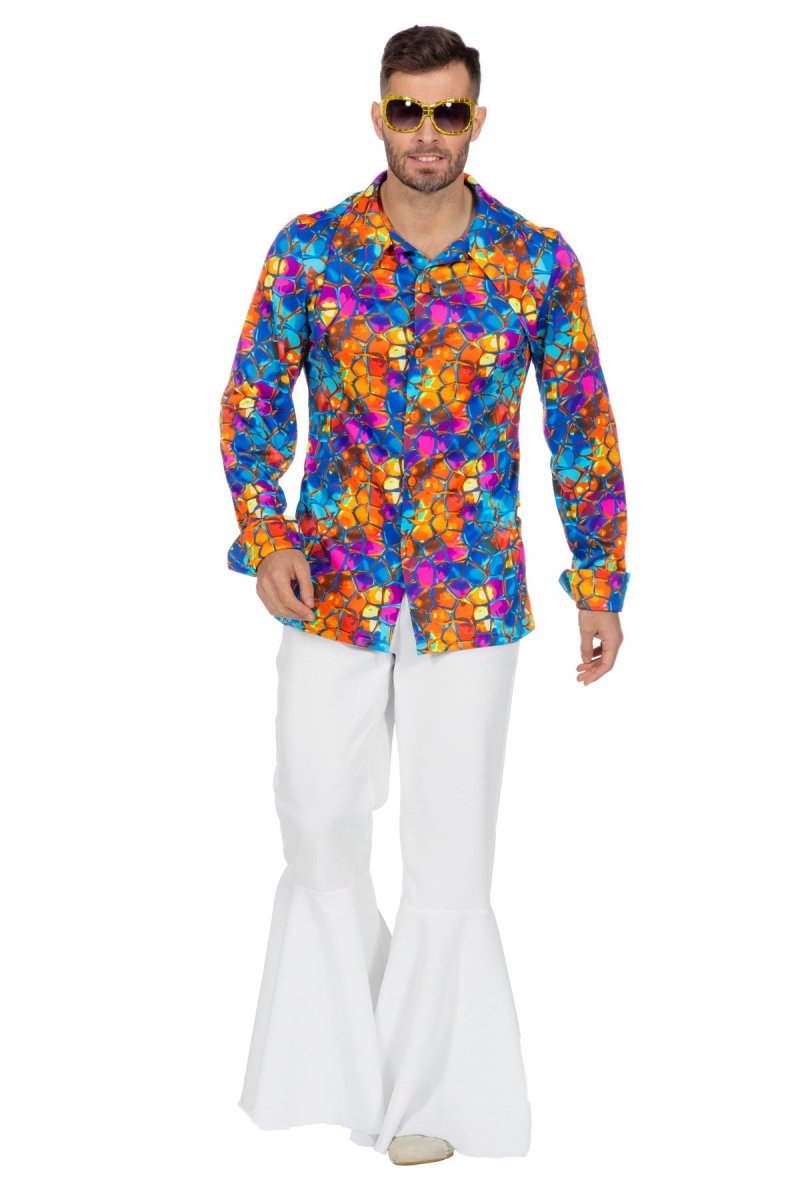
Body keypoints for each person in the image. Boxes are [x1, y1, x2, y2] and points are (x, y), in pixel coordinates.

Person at [218, 24, 630, 1166]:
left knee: (451, 852)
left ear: (476, 121)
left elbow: (581, 426)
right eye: (407, 109)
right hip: (334, 586)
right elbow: (252, 402)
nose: (427, 133)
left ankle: (431, 1098)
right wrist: (267, 538)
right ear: (379, 116)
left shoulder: (534, 262)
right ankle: (350, 1066)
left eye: (448, 112)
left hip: (470, 595)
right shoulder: (310, 251)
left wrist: (597, 580)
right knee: (316, 820)